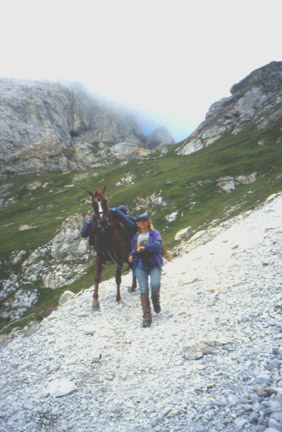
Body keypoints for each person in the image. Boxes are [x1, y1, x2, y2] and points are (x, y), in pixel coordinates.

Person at [128, 214, 163, 328]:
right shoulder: (135, 237)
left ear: (148, 222)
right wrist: (131, 256)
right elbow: (134, 250)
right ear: (137, 223)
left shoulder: (154, 233)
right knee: (143, 289)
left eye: (144, 221)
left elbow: (158, 245)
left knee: (155, 285)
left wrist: (145, 247)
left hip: (153, 263)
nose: (142, 223)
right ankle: (147, 316)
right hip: (140, 264)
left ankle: (155, 301)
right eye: (140, 221)